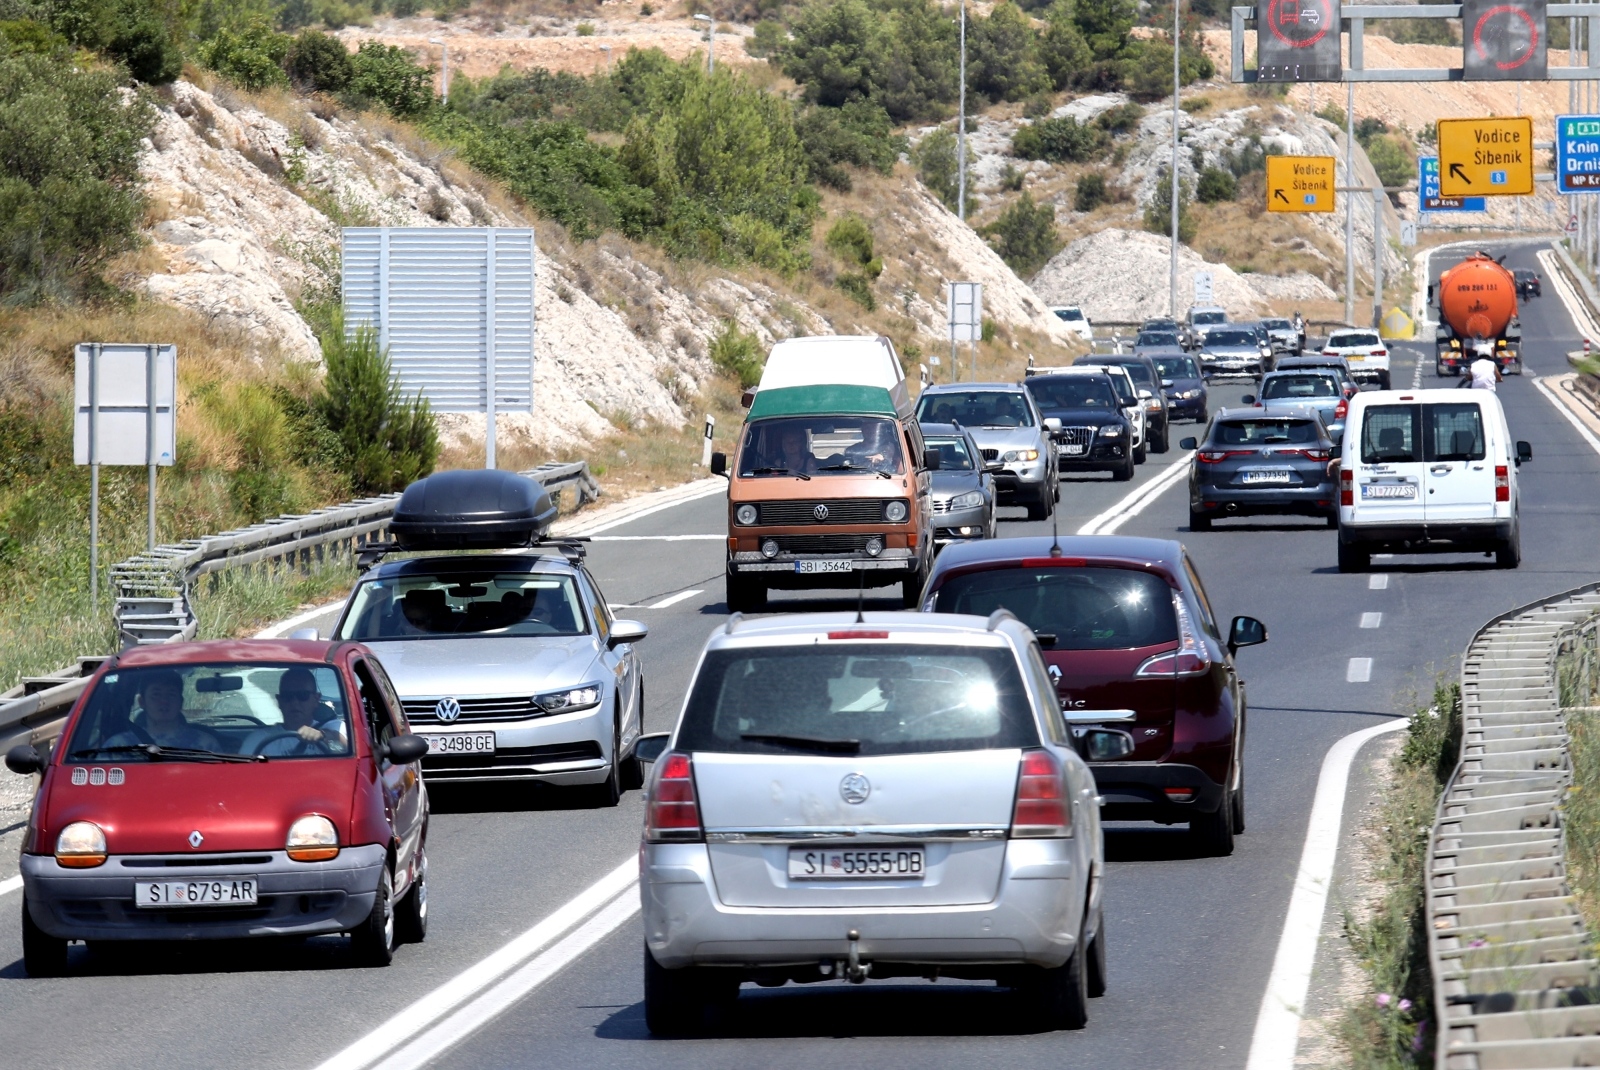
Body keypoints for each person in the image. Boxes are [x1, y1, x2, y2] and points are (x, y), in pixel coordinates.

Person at [107, 670, 222, 751]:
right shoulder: (119, 745)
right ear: (142, 702)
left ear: (181, 702)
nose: (164, 701)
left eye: (171, 695)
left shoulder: (205, 744)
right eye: (156, 695)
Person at [261, 668, 347, 756]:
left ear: (316, 699)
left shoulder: (334, 726)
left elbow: (348, 745)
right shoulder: (261, 739)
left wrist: (322, 735)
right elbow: (253, 763)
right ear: (279, 701)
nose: (294, 702)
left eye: (303, 695)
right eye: (287, 696)